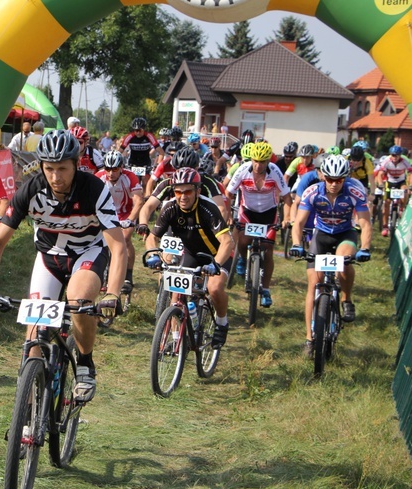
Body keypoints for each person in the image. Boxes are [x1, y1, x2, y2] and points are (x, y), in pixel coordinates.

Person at [0, 130, 128, 404]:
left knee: (79, 298)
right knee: (34, 336)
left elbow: (118, 247)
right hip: (49, 257)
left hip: (87, 252)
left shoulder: (94, 189)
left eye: (62, 169)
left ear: (76, 164)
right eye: (49, 169)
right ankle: (28, 413)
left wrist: (113, 293)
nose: (56, 177)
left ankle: (84, 365)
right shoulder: (31, 190)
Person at [289, 155, 372, 356]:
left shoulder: (355, 191)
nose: (334, 184)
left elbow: (365, 222)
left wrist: (365, 248)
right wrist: (297, 244)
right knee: (313, 283)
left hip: (345, 233)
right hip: (322, 235)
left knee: (343, 262)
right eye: (330, 179)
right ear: (323, 177)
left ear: (346, 178)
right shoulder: (312, 192)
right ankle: (309, 339)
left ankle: (346, 299)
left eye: (339, 180)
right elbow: (299, 223)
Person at [144, 168, 234, 349]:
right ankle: (177, 340)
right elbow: (152, 236)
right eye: (178, 192)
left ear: (198, 191)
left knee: (214, 288)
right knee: (176, 294)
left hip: (218, 253)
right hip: (191, 253)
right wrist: (154, 254)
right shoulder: (170, 208)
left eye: (188, 192)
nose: (182, 196)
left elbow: (227, 242)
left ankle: (222, 324)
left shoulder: (208, 208)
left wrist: (215, 264)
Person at [225, 142, 292, 306]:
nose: (258, 164)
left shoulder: (275, 171)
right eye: (255, 160)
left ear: (268, 161)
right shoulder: (243, 170)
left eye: (262, 161)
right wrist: (227, 215)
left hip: (268, 214)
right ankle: (244, 261)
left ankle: (266, 289)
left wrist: (287, 218)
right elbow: (228, 193)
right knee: (243, 240)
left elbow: (287, 197)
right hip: (248, 212)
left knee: (268, 250)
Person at [96, 150, 143, 294]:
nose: (111, 173)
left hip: (125, 213)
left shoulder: (130, 177)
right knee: (101, 242)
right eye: (108, 169)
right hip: (106, 214)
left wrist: (130, 219)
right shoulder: (99, 177)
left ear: (121, 167)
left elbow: (139, 200)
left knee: (125, 239)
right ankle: (103, 273)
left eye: (115, 169)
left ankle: (128, 276)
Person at [120, 117, 164, 192]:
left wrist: (157, 165)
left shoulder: (149, 136)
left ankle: (145, 201)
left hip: (145, 163)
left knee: (145, 182)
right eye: (136, 130)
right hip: (133, 163)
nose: (138, 133)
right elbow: (119, 151)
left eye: (140, 130)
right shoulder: (130, 136)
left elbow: (161, 152)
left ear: (144, 129)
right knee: (134, 183)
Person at [376, 145, 411, 237]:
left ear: (400, 155)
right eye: (393, 155)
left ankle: (402, 208)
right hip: (390, 182)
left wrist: (410, 185)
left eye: (397, 155)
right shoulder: (386, 161)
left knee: (405, 190)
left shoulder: (404, 162)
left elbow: (411, 173)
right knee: (386, 203)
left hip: (401, 182)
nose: (394, 157)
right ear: (390, 155)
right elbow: (380, 174)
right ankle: (385, 226)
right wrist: (380, 184)